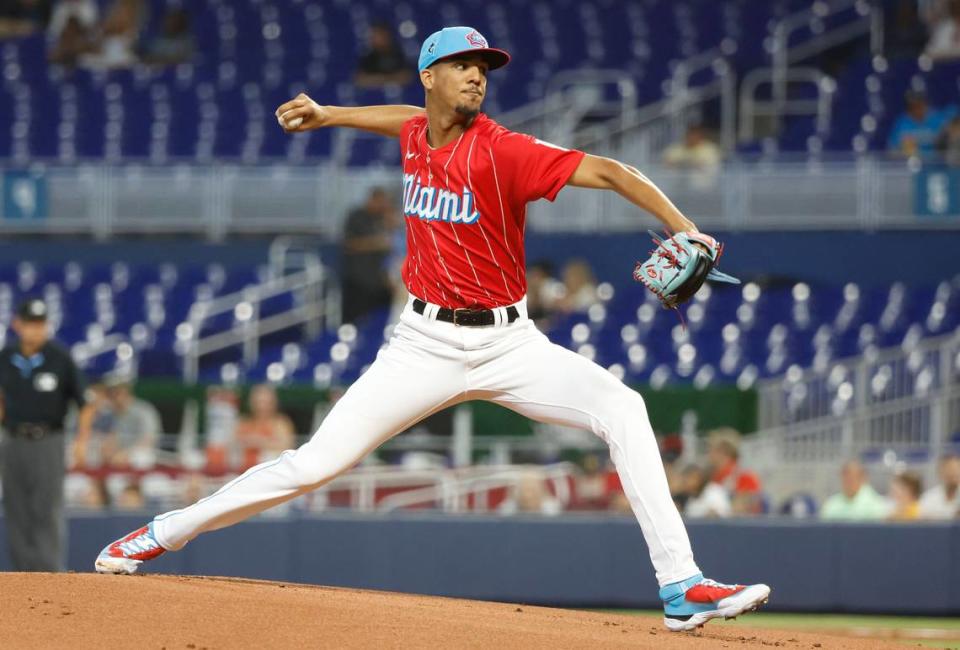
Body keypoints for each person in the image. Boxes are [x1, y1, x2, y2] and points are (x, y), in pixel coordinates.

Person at [96, 26, 770, 632]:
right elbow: (403, 122)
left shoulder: (504, 151)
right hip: (421, 346)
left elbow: (611, 170)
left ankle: (682, 586)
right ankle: (159, 535)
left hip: (510, 344)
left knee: (624, 408)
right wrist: (332, 114)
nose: (477, 75)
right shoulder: (419, 132)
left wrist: (685, 227)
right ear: (429, 77)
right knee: (314, 464)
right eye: (461, 64)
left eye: (483, 66)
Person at [0, 299, 95, 571]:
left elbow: (85, 402)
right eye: (30, 323)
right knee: (16, 508)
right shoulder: (6, 357)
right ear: (18, 324)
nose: (35, 330)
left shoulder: (59, 357)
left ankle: (50, 575)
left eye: (40, 324)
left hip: (48, 439)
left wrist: (81, 441)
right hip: (13, 439)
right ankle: (22, 576)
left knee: (46, 508)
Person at [341, 187, 396, 324]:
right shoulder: (356, 216)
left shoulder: (381, 218)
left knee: (379, 323)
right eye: (380, 202)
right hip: (358, 282)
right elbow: (349, 244)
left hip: (380, 283)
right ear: (372, 200)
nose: (382, 206)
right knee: (355, 322)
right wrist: (375, 243)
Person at [99, 379, 161, 468]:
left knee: (141, 457)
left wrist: (126, 454)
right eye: (110, 394)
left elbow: (148, 440)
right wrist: (108, 448)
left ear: (126, 393)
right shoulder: (110, 413)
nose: (113, 397)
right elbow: (110, 438)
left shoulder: (144, 410)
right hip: (118, 454)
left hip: (142, 453)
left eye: (116, 393)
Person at [234, 384, 295, 471]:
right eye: (258, 402)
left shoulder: (281, 423)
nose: (261, 407)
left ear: (274, 403)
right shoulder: (243, 422)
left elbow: (287, 447)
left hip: (269, 474)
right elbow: (232, 445)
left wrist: (259, 442)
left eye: (266, 403)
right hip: (242, 472)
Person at [706, 428, 763, 516]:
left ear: (723, 452)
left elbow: (750, 510)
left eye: (712, 449)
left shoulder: (745, 477)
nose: (709, 454)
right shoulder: (711, 476)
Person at [887, 90, 956, 158]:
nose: (916, 109)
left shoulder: (939, 120)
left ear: (925, 104)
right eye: (912, 106)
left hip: (938, 165)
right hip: (910, 165)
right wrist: (902, 154)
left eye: (919, 105)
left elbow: (951, 143)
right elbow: (891, 151)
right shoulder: (901, 123)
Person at [820, 460, 889, 520]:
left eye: (852, 478)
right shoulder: (832, 504)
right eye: (845, 477)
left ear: (862, 478)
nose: (848, 481)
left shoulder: (875, 504)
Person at [354, 21, 412, 88]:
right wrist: (389, 79)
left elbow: (407, 76)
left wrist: (379, 79)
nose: (375, 39)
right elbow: (361, 79)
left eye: (379, 35)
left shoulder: (399, 53)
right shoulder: (368, 57)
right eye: (373, 36)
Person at [919, 453, 960, 519]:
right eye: (949, 469)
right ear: (940, 472)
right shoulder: (928, 498)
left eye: (956, 469)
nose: (954, 473)